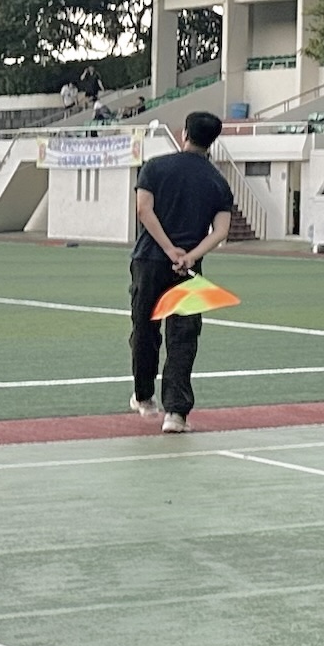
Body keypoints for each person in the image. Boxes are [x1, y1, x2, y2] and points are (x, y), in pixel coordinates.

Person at [128, 110, 235, 434]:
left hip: (149, 260)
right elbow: (221, 231)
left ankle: (144, 397)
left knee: (145, 330)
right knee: (183, 337)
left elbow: (143, 210)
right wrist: (189, 256)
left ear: (184, 133)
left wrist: (167, 248)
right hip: (188, 269)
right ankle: (176, 413)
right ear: (212, 141)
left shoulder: (155, 167)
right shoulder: (217, 181)